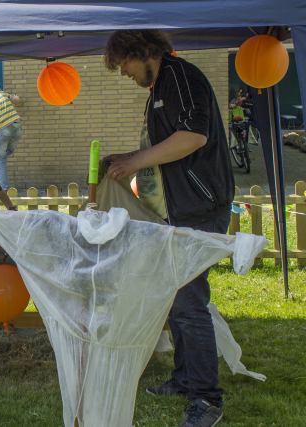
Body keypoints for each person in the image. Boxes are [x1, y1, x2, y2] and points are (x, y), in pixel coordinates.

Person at [102, 30, 235, 427]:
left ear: (141, 52)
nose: (123, 73)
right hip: (183, 209)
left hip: (202, 207)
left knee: (189, 304)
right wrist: (129, 158)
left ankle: (207, 400)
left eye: (123, 64)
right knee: (177, 300)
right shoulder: (162, 84)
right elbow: (163, 147)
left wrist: (137, 161)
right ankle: (184, 379)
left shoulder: (179, 76)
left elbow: (194, 136)